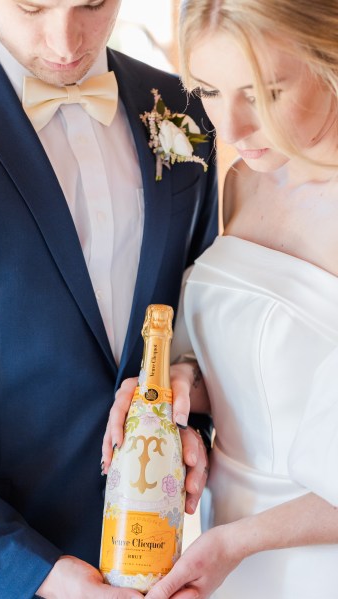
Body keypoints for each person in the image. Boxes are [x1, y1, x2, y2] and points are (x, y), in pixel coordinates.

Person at [0, 1, 219, 597]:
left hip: (158, 568)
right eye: (32, 5)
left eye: (93, 2)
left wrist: (189, 409)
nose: (67, 42)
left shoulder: (184, 112)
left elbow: (202, 316)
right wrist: (38, 574)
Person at [104, 0, 338, 597]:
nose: (229, 130)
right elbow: (269, 364)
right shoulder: (242, 181)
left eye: (262, 93)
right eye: (208, 90)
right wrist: (181, 384)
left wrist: (240, 542)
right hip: (220, 542)